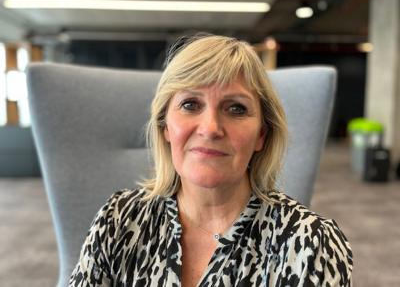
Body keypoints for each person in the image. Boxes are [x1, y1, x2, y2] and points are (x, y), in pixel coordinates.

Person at [69, 34, 353, 286]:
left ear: (261, 136)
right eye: (190, 104)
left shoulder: (310, 244)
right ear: (166, 126)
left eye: (236, 109)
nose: (210, 128)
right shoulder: (118, 219)